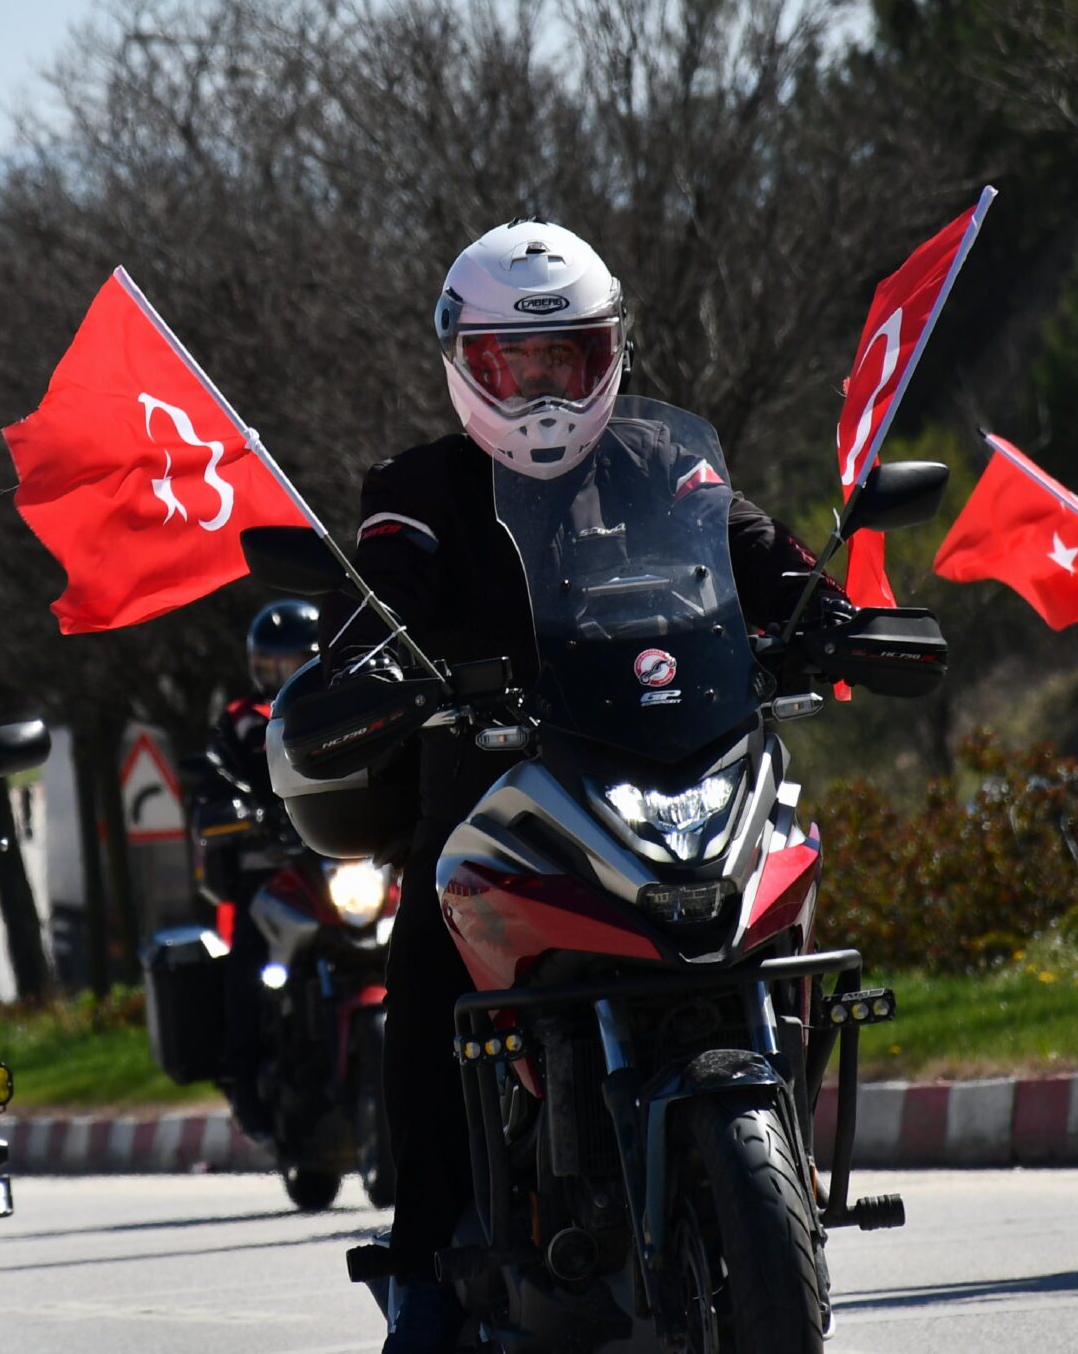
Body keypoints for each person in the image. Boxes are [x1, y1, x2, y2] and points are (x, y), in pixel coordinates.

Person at [335, 222, 844, 1352]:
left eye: (567, 356)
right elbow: (382, 592)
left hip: (674, 756)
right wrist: (374, 657)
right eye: (515, 364)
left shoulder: (668, 462)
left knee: (786, 881)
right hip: (497, 794)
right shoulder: (415, 487)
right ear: (467, 362)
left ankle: (775, 1159)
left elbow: (758, 549)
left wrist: (831, 616)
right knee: (424, 955)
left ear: (607, 351)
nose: (543, 386)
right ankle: (422, 1262)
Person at [200, 599, 319, 1133]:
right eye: (271, 666)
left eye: (292, 663)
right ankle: (245, 1083)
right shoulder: (239, 722)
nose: (282, 676)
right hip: (267, 874)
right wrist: (233, 809)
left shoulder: (338, 705)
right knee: (247, 971)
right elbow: (213, 779)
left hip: (332, 867)